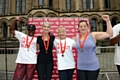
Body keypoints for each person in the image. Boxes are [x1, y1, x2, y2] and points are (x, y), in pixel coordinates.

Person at [74, 15, 113, 80]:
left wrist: (108, 21)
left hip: (92, 66)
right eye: (81, 26)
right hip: (81, 67)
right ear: (78, 28)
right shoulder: (76, 37)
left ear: (87, 27)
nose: (83, 28)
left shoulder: (93, 35)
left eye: (84, 26)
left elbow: (109, 34)